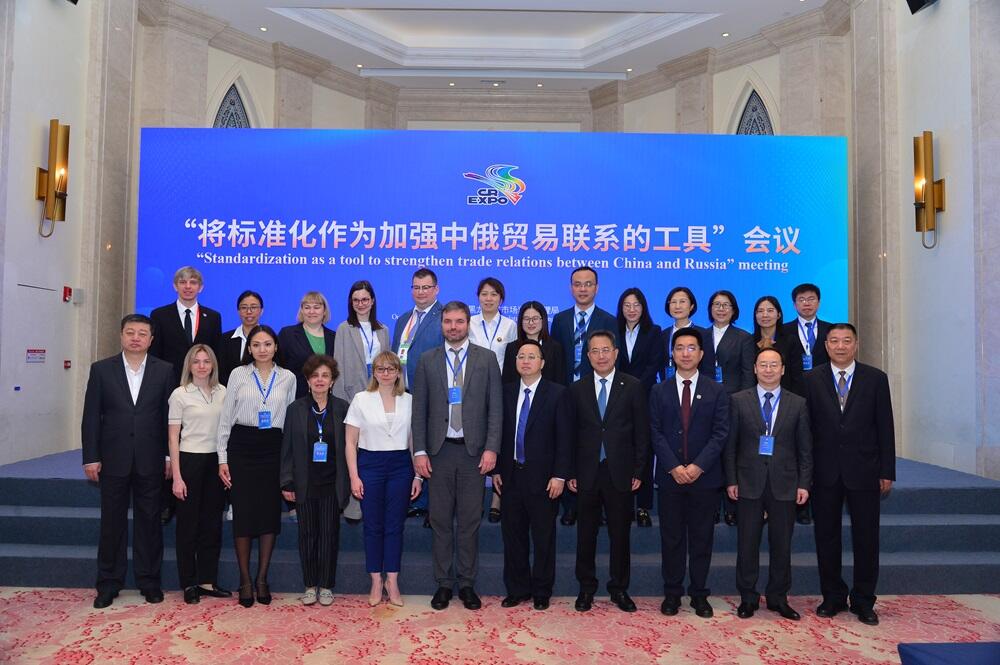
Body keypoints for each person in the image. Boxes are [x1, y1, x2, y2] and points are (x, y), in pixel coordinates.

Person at [412, 301, 503, 611]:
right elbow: (419, 410)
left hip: (472, 453)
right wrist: (420, 451)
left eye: (459, 321)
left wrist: (491, 448)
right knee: (439, 520)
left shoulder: (486, 359)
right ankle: (443, 583)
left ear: (468, 324)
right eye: (448, 321)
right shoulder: (427, 360)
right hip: (438, 453)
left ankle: (466, 583)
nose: (453, 327)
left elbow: (496, 408)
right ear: (442, 325)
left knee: (469, 521)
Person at [802, 323, 895, 625]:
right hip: (824, 471)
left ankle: (864, 600)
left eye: (846, 341)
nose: (840, 346)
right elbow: (806, 429)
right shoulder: (811, 379)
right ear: (826, 345)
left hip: (865, 470)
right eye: (834, 341)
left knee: (866, 537)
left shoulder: (875, 378)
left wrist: (887, 470)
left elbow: (885, 426)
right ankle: (833, 596)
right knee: (826, 536)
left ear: (856, 344)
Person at [82, 314, 175, 609]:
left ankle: (149, 581)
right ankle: (109, 583)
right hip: (113, 459)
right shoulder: (101, 369)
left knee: (150, 522)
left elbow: (169, 418)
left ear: (151, 339)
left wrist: (169, 456)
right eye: (130, 332)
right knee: (112, 524)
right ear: (121, 336)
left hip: (151, 458)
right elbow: (91, 416)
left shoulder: (165, 370)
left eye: (142, 333)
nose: (136, 338)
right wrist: (91, 457)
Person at [724, 347, 813, 620]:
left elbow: (805, 449)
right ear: (754, 369)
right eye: (763, 364)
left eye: (774, 365)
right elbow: (730, 446)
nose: (768, 369)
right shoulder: (738, 400)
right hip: (748, 481)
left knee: (781, 545)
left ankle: (778, 597)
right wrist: (731, 479)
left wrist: (804, 483)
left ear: (783, 369)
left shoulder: (798, 403)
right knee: (747, 544)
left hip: (785, 483)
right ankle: (747, 597)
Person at [648, 328, 729, 618]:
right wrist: (673, 466)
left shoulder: (716, 390)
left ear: (701, 353)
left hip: (704, 478)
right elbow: (655, 432)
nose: (685, 353)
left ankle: (699, 594)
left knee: (701, 538)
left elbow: (720, 433)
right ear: (672, 353)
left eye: (691, 347)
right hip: (670, 478)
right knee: (671, 538)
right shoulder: (659, 390)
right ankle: (672, 593)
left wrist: (697, 466)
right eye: (680, 347)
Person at [568, 330, 650, 613]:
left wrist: (639, 470)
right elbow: (570, 435)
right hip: (586, 472)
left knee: (620, 535)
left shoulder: (633, 386)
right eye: (595, 351)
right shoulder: (577, 389)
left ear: (615, 353)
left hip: (621, 472)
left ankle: (619, 589)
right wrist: (570, 472)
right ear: (587, 356)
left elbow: (642, 433)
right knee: (585, 535)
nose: (601, 356)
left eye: (606, 350)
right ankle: (586, 588)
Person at [217, 325, 297, 607]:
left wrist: (289, 463)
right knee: (243, 514)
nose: (262, 349)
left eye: (267, 344)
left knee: (268, 514)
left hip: (273, 448)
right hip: (242, 446)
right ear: (249, 349)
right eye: (256, 345)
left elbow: (289, 421)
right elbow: (226, 418)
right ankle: (244, 580)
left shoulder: (288, 377)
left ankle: (262, 578)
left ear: (276, 347)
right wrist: (222, 458)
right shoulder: (238, 374)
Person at [493, 340, 572, 610]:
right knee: (513, 537)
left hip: (545, 478)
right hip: (511, 475)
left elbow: (565, 438)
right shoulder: (505, 392)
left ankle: (541, 590)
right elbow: (499, 434)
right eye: (521, 356)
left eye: (531, 356)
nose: (525, 361)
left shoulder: (558, 393)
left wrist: (560, 475)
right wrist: (497, 470)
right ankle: (517, 589)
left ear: (542, 362)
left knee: (543, 537)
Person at [344, 351, 422, 606]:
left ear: (399, 372)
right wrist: (354, 477)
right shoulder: (361, 399)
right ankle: (376, 580)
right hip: (370, 465)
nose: (386, 373)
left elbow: (414, 440)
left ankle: (393, 580)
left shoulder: (410, 400)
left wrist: (417, 476)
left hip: (401, 466)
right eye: (380, 369)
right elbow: (350, 442)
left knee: (395, 526)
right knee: (373, 526)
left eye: (391, 369)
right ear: (374, 372)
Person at [149, 266, 222, 526]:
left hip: (203, 391)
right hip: (171, 390)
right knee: (169, 444)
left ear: (201, 287)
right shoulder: (160, 315)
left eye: (193, 282)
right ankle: (167, 502)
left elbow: (215, 356)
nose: (188, 286)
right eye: (183, 282)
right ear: (175, 286)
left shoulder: (213, 317)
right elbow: (155, 356)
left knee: (196, 445)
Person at [279, 354, 350, 607]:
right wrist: (287, 482)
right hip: (304, 483)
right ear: (308, 380)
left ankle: (327, 585)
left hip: (332, 483)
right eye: (315, 375)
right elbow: (287, 449)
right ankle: (310, 585)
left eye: (325, 376)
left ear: (332, 381)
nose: (320, 380)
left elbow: (350, 447)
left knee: (329, 536)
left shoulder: (342, 408)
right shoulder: (295, 409)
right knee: (307, 535)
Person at [550, 266, 616, 526]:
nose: (583, 289)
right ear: (571, 288)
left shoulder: (608, 320)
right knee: (568, 443)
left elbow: (613, 359)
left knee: (595, 445)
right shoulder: (560, 320)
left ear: (597, 288)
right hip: (566, 392)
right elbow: (555, 358)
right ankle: (570, 505)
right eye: (577, 284)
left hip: (596, 392)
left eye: (588, 284)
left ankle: (599, 504)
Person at [168, 344, 230, 604]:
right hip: (189, 461)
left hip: (216, 462)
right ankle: (189, 582)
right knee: (187, 526)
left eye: (206, 361)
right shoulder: (180, 394)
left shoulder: (223, 392)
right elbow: (173, 438)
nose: (202, 366)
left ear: (213, 364)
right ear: (189, 366)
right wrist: (177, 476)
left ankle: (207, 580)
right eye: (196, 361)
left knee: (212, 525)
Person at [332, 280, 391, 524]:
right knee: (354, 452)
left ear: (372, 301)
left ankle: (376, 505)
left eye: (365, 299)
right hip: (352, 397)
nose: (361, 304)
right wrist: (344, 404)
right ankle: (354, 508)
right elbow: (338, 367)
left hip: (379, 395)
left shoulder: (383, 329)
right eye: (356, 300)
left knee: (375, 453)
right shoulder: (344, 328)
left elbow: (389, 364)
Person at [392, 267, 444, 522]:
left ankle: (434, 505)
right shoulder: (404, 319)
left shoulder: (444, 316)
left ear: (436, 289)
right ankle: (416, 499)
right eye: (416, 287)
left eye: (426, 287)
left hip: (433, 395)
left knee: (431, 448)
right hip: (403, 394)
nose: (421, 292)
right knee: (410, 447)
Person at [780, 283, 830, 526]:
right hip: (793, 399)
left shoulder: (832, 331)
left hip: (824, 399)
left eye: (811, 299)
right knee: (796, 450)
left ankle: (819, 501)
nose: (807, 303)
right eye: (802, 299)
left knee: (819, 450)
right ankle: (800, 506)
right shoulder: (783, 331)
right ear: (794, 304)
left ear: (818, 302)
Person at [614, 287, 664, 528]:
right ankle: (621, 504)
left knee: (644, 449)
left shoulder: (654, 332)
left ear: (643, 308)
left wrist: (634, 388)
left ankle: (643, 506)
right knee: (620, 450)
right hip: (617, 399)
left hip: (644, 397)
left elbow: (654, 364)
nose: (631, 310)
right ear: (621, 308)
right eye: (627, 305)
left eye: (636, 305)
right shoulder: (613, 331)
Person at [707, 290, 756, 527]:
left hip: (733, 402)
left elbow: (748, 374)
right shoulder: (700, 335)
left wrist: (742, 402)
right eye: (716, 304)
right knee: (709, 455)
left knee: (731, 454)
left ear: (734, 310)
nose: (721, 309)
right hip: (705, 403)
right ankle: (711, 507)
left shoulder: (743, 337)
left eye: (726, 305)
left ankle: (731, 508)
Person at [278, 291, 337, 399]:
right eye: (307, 307)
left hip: (327, 399)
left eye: (316, 307)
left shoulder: (334, 337)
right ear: (301, 310)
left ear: (324, 311)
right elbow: (278, 367)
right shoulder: (287, 334)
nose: (311, 311)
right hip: (295, 398)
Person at [501, 301, 566, 386]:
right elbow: (507, 381)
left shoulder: (555, 348)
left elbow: (560, 381)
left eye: (535, 318)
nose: (531, 323)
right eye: (526, 319)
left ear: (543, 320)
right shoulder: (512, 348)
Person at [660, 286, 713, 381]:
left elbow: (708, 368)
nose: (677, 306)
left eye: (682, 301)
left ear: (691, 306)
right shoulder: (663, 335)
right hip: (668, 386)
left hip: (697, 385)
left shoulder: (704, 334)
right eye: (673, 302)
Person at [469, 276, 518, 370]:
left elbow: (514, 356)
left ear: (501, 299)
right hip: (475, 377)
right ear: (478, 297)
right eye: (484, 294)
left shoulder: (510, 325)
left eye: (494, 294)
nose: (488, 298)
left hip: (501, 377)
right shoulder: (469, 323)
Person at [217, 290, 264, 386]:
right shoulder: (225, 339)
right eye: (244, 307)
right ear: (238, 311)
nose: (249, 312)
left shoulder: (269, 339)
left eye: (253, 307)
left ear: (261, 311)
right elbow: (221, 372)